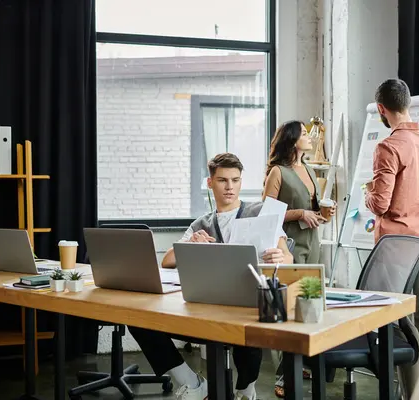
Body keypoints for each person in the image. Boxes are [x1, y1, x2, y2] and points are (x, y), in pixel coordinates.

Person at [129, 153, 293, 400]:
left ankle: (246, 390)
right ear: (210, 182)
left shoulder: (261, 212)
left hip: (248, 301)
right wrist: (192, 243)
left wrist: (280, 257)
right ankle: (191, 383)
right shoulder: (201, 224)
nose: (229, 187)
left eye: (235, 180)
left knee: (250, 323)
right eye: (223, 180)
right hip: (207, 304)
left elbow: (287, 256)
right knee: (138, 319)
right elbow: (167, 260)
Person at [364, 78, 419, 396]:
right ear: (407, 104)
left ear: (382, 109)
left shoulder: (389, 147)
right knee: (416, 331)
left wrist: (368, 192)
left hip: (394, 256)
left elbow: (381, 203)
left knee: (392, 333)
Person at [262, 120, 336, 397]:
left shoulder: (307, 169)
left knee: (310, 301)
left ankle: (301, 361)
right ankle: (283, 376)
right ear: (292, 139)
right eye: (305, 134)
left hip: (311, 243)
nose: (310, 137)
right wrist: (298, 214)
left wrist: (324, 215)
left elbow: (312, 210)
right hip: (289, 245)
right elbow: (267, 214)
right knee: (290, 306)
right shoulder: (277, 172)